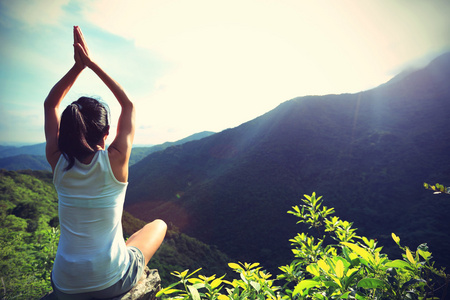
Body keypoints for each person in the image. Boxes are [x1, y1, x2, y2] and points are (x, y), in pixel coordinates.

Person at [44, 26, 167, 299]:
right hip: (111, 282)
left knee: (123, 243)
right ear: (106, 132)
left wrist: (77, 69)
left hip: (64, 285)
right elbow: (129, 105)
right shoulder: (115, 161)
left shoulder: (58, 164)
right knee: (158, 225)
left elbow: (51, 104)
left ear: (66, 133)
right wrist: (91, 64)